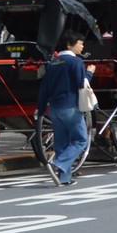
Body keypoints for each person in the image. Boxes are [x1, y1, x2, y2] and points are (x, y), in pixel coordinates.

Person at [37, 29, 92, 186]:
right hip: (71, 105)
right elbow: (81, 83)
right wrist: (89, 74)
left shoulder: (53, 63)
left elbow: (44, 88)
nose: (82, 47)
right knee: (80, 140)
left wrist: (41, 110)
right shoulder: (75, 62)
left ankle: (64, 178)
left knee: (61, 143)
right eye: (80, 43)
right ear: (70, 44)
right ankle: (59, 163)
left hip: (54, 108)